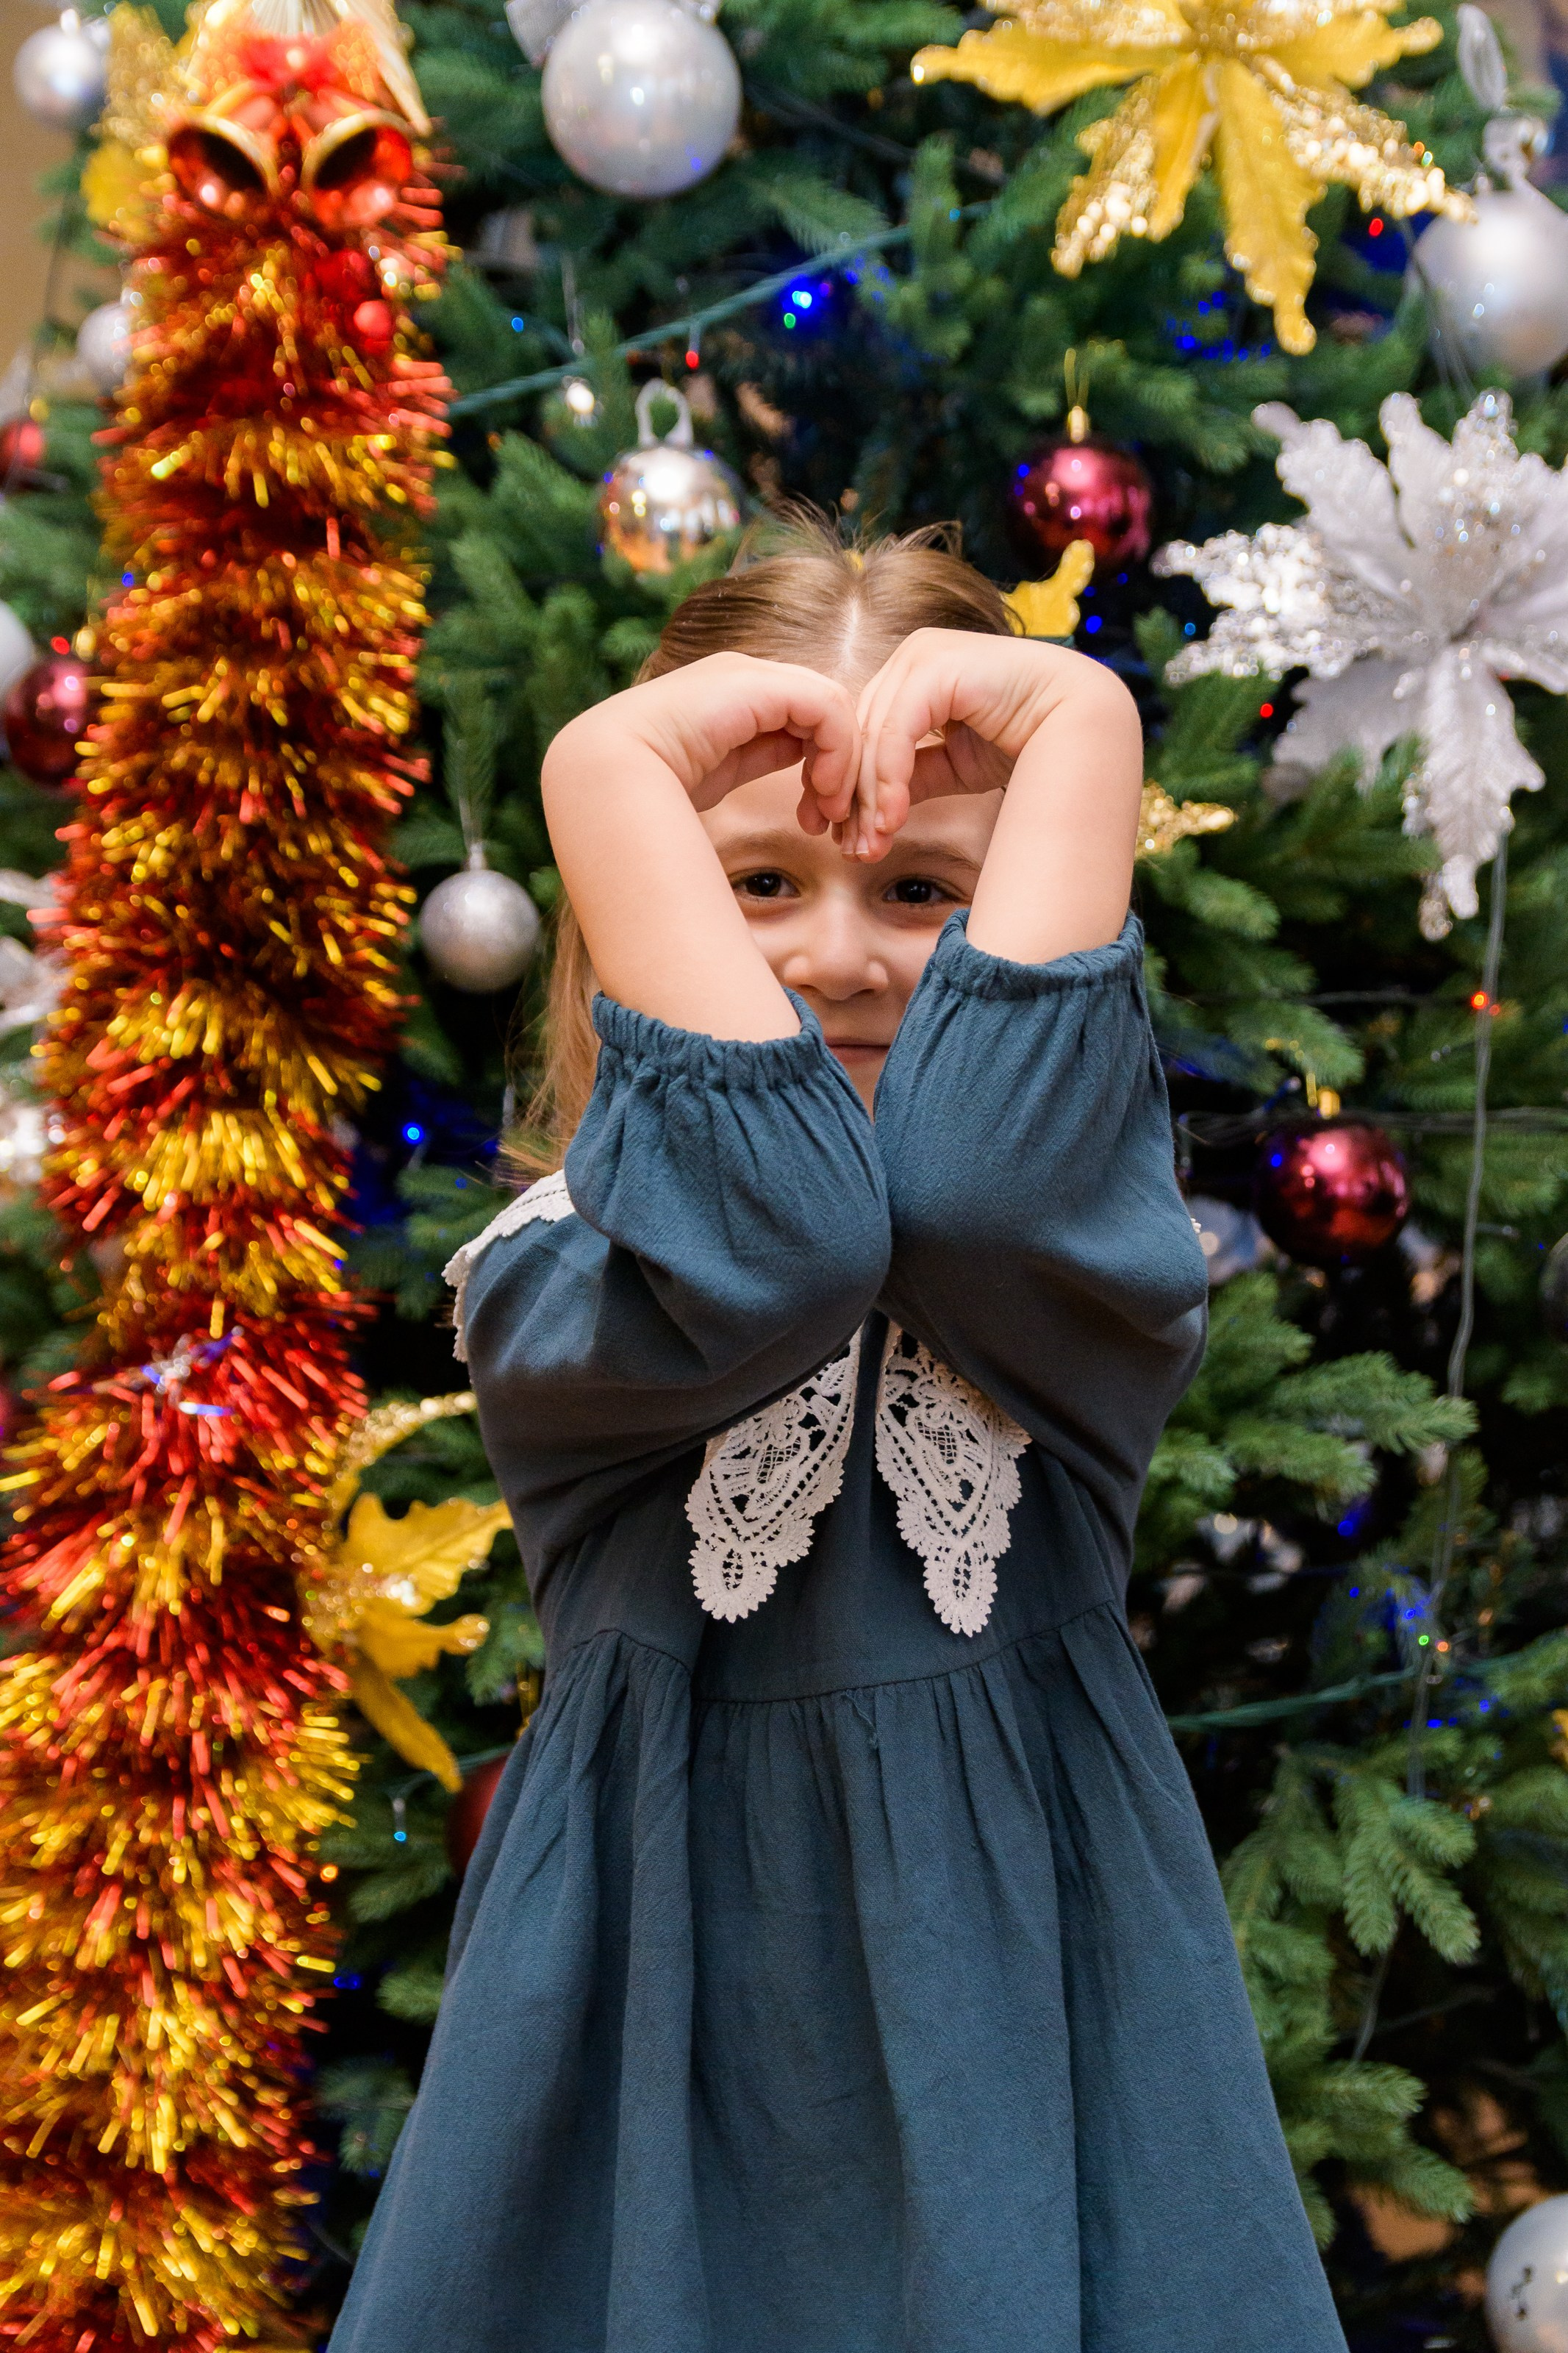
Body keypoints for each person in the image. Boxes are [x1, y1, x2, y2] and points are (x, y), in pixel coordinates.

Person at [328, 516, 1347, 2353]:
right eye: (754, 888)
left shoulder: (1072, 1281)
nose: (839, 960)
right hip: (659, 2036)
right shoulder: (555, 1293)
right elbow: (784, 1237)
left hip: (1034, 2035)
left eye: (919, 892)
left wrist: (1082, 727)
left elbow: (953, 1187)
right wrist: (605, 761)